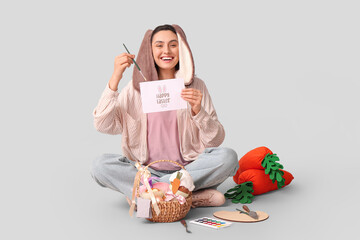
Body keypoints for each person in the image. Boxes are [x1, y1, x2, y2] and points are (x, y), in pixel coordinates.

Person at [91, 24, 239, 207]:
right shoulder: (134, 90)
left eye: (173, 45)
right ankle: (186, 195)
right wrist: (115, 77)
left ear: (182, 49)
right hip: (145, 171)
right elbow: (104, 125)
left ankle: (147, 195)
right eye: (159, 45)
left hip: (188, 170)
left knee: (228, 157)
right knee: (99, 165)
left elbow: (215, 140)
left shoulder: (196, 86)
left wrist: (198, 112)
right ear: (149, 50)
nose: (166, 51)